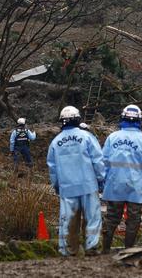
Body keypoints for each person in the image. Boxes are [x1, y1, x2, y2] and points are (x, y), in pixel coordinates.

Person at [47, 106, 105, 256]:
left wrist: (57, 186)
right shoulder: (87, 137)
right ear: (78, 119)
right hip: (88, 185)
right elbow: (98, 161)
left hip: (67, 188)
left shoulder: (55, 142)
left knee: (68, 221)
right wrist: (101, 180)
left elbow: (52, 169)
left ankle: (68, 250)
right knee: (92, 218)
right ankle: (91, 247)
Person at [101, 104, 142, 253]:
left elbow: (103, 163)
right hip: (136, 186)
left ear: (123, 118)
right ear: (139, 120)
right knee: (133, 219)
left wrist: (102, 182)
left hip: (114, 184)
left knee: (112, 217)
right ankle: (129, 250)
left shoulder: (112, 138)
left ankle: (105, 250)